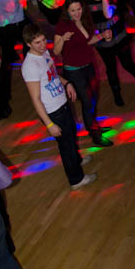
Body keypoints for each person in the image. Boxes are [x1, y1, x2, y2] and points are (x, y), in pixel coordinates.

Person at [21, 25, 97, 190]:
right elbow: (35, 99)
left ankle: (77, 161)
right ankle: (76, 180)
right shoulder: (30, 66)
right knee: (66, 146)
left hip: (62, 104)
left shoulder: (44, 53)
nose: (43, 45)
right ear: (28, 44)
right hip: (53, 112)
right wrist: (49, 124)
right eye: (37, 43)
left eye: (43, 40)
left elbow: (53, 75)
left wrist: (67, 83)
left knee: (71, 137)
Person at [54, 0, 113, 148]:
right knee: (87, 102)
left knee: (93, 99)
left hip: (88, 66)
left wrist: (102, 36)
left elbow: (87, 41)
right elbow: (56, 51)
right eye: (73, 10)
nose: (76, 13)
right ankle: (95, 134)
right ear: (67, 11)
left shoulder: (85, 21)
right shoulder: (63, 26)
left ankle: (94, 126)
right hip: (74, 71)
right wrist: (62, 39)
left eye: (78, 9)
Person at [84, 0, 135, 107]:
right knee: (110, 68)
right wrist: (97, 34)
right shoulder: (86, 3)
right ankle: (116, 94)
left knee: (127, 64)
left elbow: (107, 14)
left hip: (119, 36)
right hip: (103, 42)